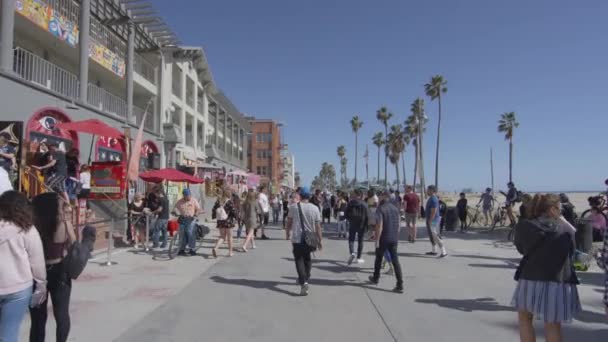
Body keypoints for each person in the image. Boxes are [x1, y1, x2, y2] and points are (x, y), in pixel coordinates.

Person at [512, 194, 581, 342]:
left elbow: (521, 249)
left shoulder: (524, 226)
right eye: (560, 210)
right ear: (552, 209)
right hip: (556, 281)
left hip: (529, 278)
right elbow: (573, 251)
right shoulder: (563, 230)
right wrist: (563, 221)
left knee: (524, 318)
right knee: (552, 325)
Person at [30, 192, 77, 342]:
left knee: (38, 319)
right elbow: (74, 246)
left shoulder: (33, 226)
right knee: (62, 315)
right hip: (59, 271)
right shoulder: (63, 224)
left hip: (36, 274)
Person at [0, 191, 47, 342]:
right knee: (9, 333)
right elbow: (37, 261)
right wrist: (41, 285)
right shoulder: (28, 230)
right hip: (19, 288)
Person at [286, 187, 323, 296]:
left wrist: (287, 233)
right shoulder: (315, 208)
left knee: (299, 259)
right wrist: (320, 240)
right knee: (307, 258)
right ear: (309, 196)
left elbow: (289, 222)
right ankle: (306, 277)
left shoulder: (294, 207)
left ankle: (303, 282)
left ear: (300, 196)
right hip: (310, 237)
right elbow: (318, 226)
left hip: (297, 237)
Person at [368, 190, 404, 293]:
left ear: (384, 197)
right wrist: (396, 236)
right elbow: (398, 226)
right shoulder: (395, 209)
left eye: (380, 196)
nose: (378, 198)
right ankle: (400, 284)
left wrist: (377, 239)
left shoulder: (381, 209)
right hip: (393, 238)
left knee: (378, 258)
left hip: (384, 238)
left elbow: (380, 226)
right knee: (395, 260)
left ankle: (376, 277)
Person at [173, 188, 202, 256]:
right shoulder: (180, 201)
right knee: (182, 234)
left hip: (191, 219)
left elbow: (198, 209)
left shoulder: (193, 200)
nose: (188, 197)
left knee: (190, 233)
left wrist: (196, 213)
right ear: (184, 195)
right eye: (187, 196)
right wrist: (174, 211)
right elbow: (175, 208)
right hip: (182, 219)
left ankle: (192, 249)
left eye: (189, 195)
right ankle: (181, 249)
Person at [212, 189, 238, 258]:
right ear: (229, 194)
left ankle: (216, 248)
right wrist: (236, 218)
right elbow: (233, 211)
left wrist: (215, 217)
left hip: (220, 221)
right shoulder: (229, 202)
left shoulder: (218, 201)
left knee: (222, 236)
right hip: (228, 221)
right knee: (230, 237)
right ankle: (230, 252)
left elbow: (214, 210)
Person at [345, 189, 368, 265]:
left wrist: (349, 220)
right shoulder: (364, 204)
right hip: (361, 224)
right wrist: (367, 226)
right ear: (361, 195)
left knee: (351, 239)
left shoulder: (350, 203)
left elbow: (346, 213)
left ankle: (352, 253)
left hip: (353, 224)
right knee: (360, 241)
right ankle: (359, 257)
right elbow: (367, 216)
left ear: (355, 195)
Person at [425, 185, 447, 257]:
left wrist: (430, 221)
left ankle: (443, 251)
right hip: (431, 220)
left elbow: (433, 212)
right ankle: (434, 250)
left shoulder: (433, 199)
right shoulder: (431, 198)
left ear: (432, 190)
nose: (427, 191)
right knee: (432, 236)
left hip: (434, 221)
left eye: (428, 190)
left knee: (436, 236)